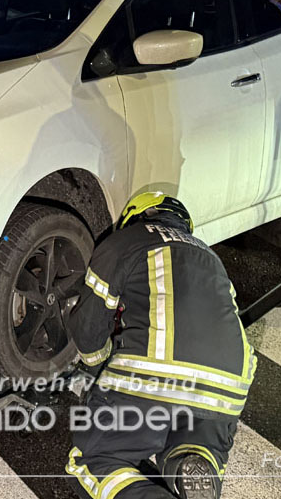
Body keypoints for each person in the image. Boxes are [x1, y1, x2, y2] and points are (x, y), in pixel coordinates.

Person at [66, 191, 256, 499]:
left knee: (95, 461)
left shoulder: (124, 242)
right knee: (196, 444)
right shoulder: (210, 257)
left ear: (134, 217)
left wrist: (94, 368)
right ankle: (192, 461)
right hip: (230, 382)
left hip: (155, 371)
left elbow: (88, 329)